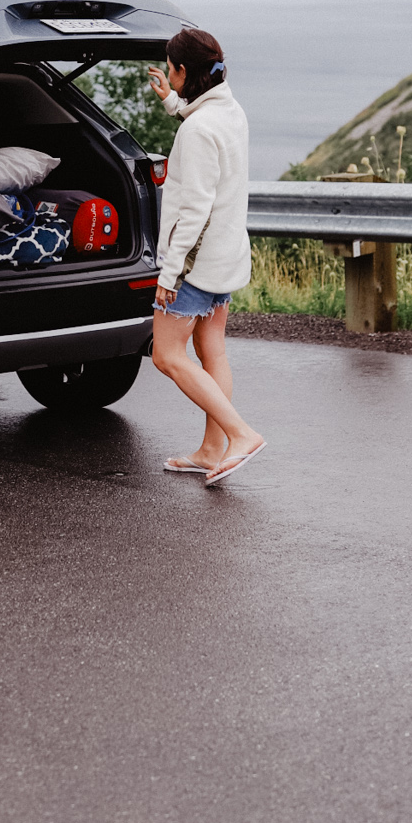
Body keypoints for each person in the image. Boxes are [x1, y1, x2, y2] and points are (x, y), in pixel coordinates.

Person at [147, 29, 265, 486]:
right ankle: (212, 449)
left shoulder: (197, 131)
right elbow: (201, 119)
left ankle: (240, 434)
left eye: (170, 68)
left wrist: (170, 272)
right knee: (211, 351)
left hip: (194, 266)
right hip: (225, 257)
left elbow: (194, 209)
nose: (168, 72)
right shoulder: (230, 111)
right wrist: (171, 102)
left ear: (182, 70)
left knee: (166, 355)